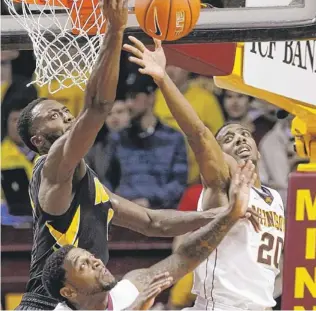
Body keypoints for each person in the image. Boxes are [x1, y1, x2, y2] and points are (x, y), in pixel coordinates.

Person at [14, 2, 251, 310]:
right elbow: (98, 106)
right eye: (52, 116)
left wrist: (224, 214)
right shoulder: (51, 166)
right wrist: (115, 30)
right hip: (47, 304)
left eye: (62, 109)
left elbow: (153, 222)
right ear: (38, 139)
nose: (63, 112)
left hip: (92, 299)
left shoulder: (89, 186)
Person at [124, 36, 285, 310]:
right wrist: (163, 79)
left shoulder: (275, 198)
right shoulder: (221, 185)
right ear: (218, 153)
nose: (240, 139)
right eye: (228, 138)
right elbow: (198, 134)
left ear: (258, 150)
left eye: (245, 134)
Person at [42, 161, 258, 310]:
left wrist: (229, 215)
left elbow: (184, 257)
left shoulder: (130, 289)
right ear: (68, 292)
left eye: (91, 258)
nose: (96, 262)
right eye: (84, 266)